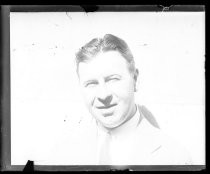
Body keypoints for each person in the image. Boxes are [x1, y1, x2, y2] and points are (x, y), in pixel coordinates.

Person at [75, 34, 192, 165]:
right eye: (91, 83)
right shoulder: (62, 151)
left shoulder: (175, 157)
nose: (103, 95)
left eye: (113, 79)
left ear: (135, 79)